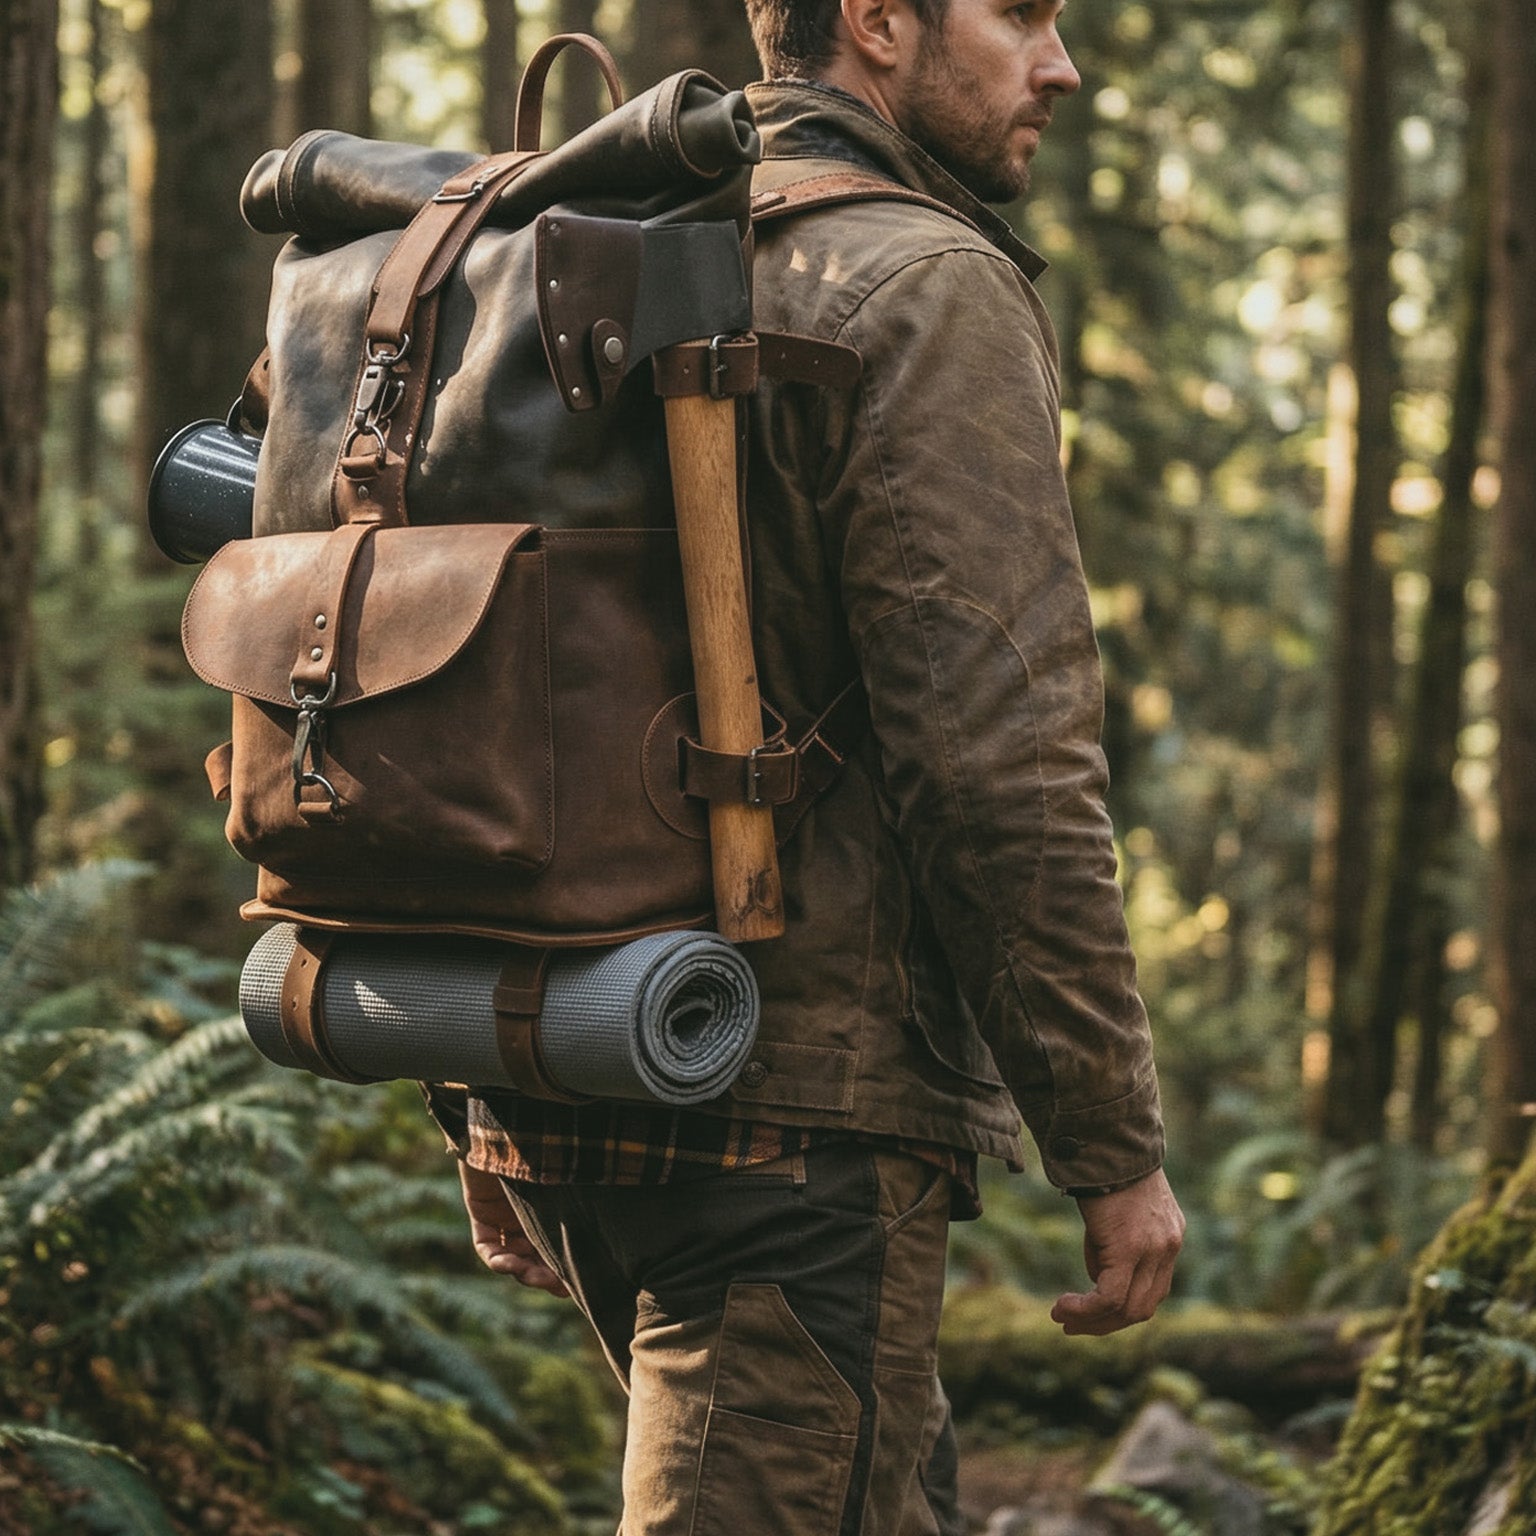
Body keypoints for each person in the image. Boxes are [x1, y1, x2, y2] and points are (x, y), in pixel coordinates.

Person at [442, 2, 1186, 1530]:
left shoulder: (595, 247)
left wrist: (478, 1079)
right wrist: (1110, 1146)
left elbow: (482, 714)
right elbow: (1000, 765)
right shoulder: (921, 280)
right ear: (879, 23)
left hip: (579, 1067)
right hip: (792, 1129)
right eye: (1020, 14)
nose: (1062, 62)